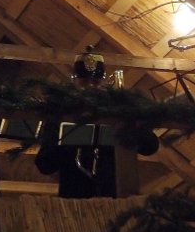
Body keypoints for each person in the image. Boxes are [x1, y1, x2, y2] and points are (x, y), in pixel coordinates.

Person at [35, 47, 159, 198]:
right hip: (73, 198)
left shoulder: (117, 112)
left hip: (113, 196)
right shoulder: (62, 114)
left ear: (103, 82)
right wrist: (67, 141)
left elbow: (150, 147)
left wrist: (135, 128)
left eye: (95, 81)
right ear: (75, 81)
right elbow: (44, 165)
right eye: (84, 81)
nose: (90, 86)